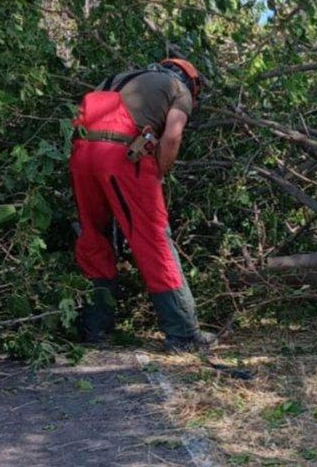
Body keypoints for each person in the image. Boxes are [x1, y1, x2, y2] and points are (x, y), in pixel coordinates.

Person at [69, 58, 215, 352]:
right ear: (192, 81)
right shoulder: (179, 88)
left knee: (93, 236)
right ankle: (183, 333)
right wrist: (158, 173)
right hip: (123, 157)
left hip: (82, 155)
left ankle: (95, 329)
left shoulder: (117, 78)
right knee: (152, 239)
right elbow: (172, 136)